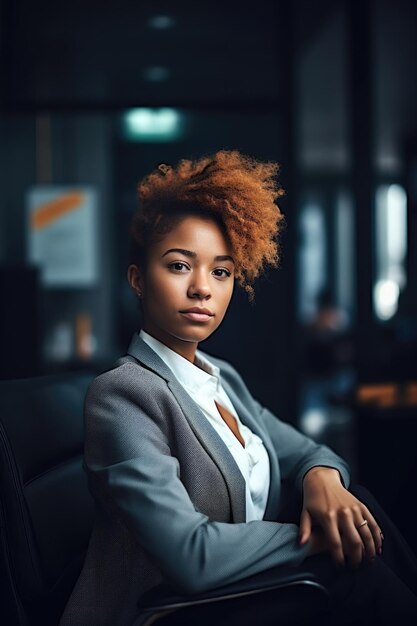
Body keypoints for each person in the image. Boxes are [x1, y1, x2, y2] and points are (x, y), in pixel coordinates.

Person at [59, 150, 417, 626]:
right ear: (138, 280)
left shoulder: (219, 376)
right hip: (173, 612)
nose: (203, 288)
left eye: (221, 271)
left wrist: (323, 481)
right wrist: (315, 534)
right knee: (352, 561)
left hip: (243, 593)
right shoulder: (123, 394)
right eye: (180, 266)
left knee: (360, 508)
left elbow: (307, 450)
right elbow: (190, 555)